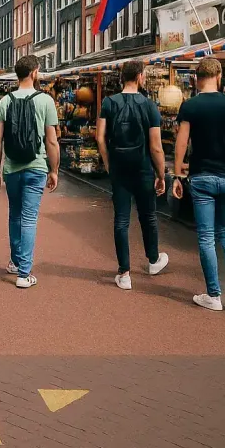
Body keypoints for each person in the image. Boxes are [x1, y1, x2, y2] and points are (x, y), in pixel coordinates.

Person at [172, 57, 225, 311]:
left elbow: (182, 142)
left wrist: (177, 174)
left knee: (206, 236)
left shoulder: (191, 106)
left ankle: (213, 295)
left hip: (202, 176)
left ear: (196, 78)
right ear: (219, 76)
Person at [96, 60, 169, 291]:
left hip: (119, 168)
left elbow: (100, 137)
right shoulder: (149, 106)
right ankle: (153, 260)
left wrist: (108, 164)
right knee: (148, 216)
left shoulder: (108, 102)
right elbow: (156, 146)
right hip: (143, 167)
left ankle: (124, 273)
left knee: (121, 220)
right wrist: (161, 174)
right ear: (139, 76)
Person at [0, 55, 59, 289]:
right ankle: (24, 273)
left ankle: (14, 261)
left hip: (12, 168)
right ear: (34, 73)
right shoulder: (46, 101)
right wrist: (55, 170)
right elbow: (51, 141)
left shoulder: (3, 102)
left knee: (15, 215)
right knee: (29, 219)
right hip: (36, 167)